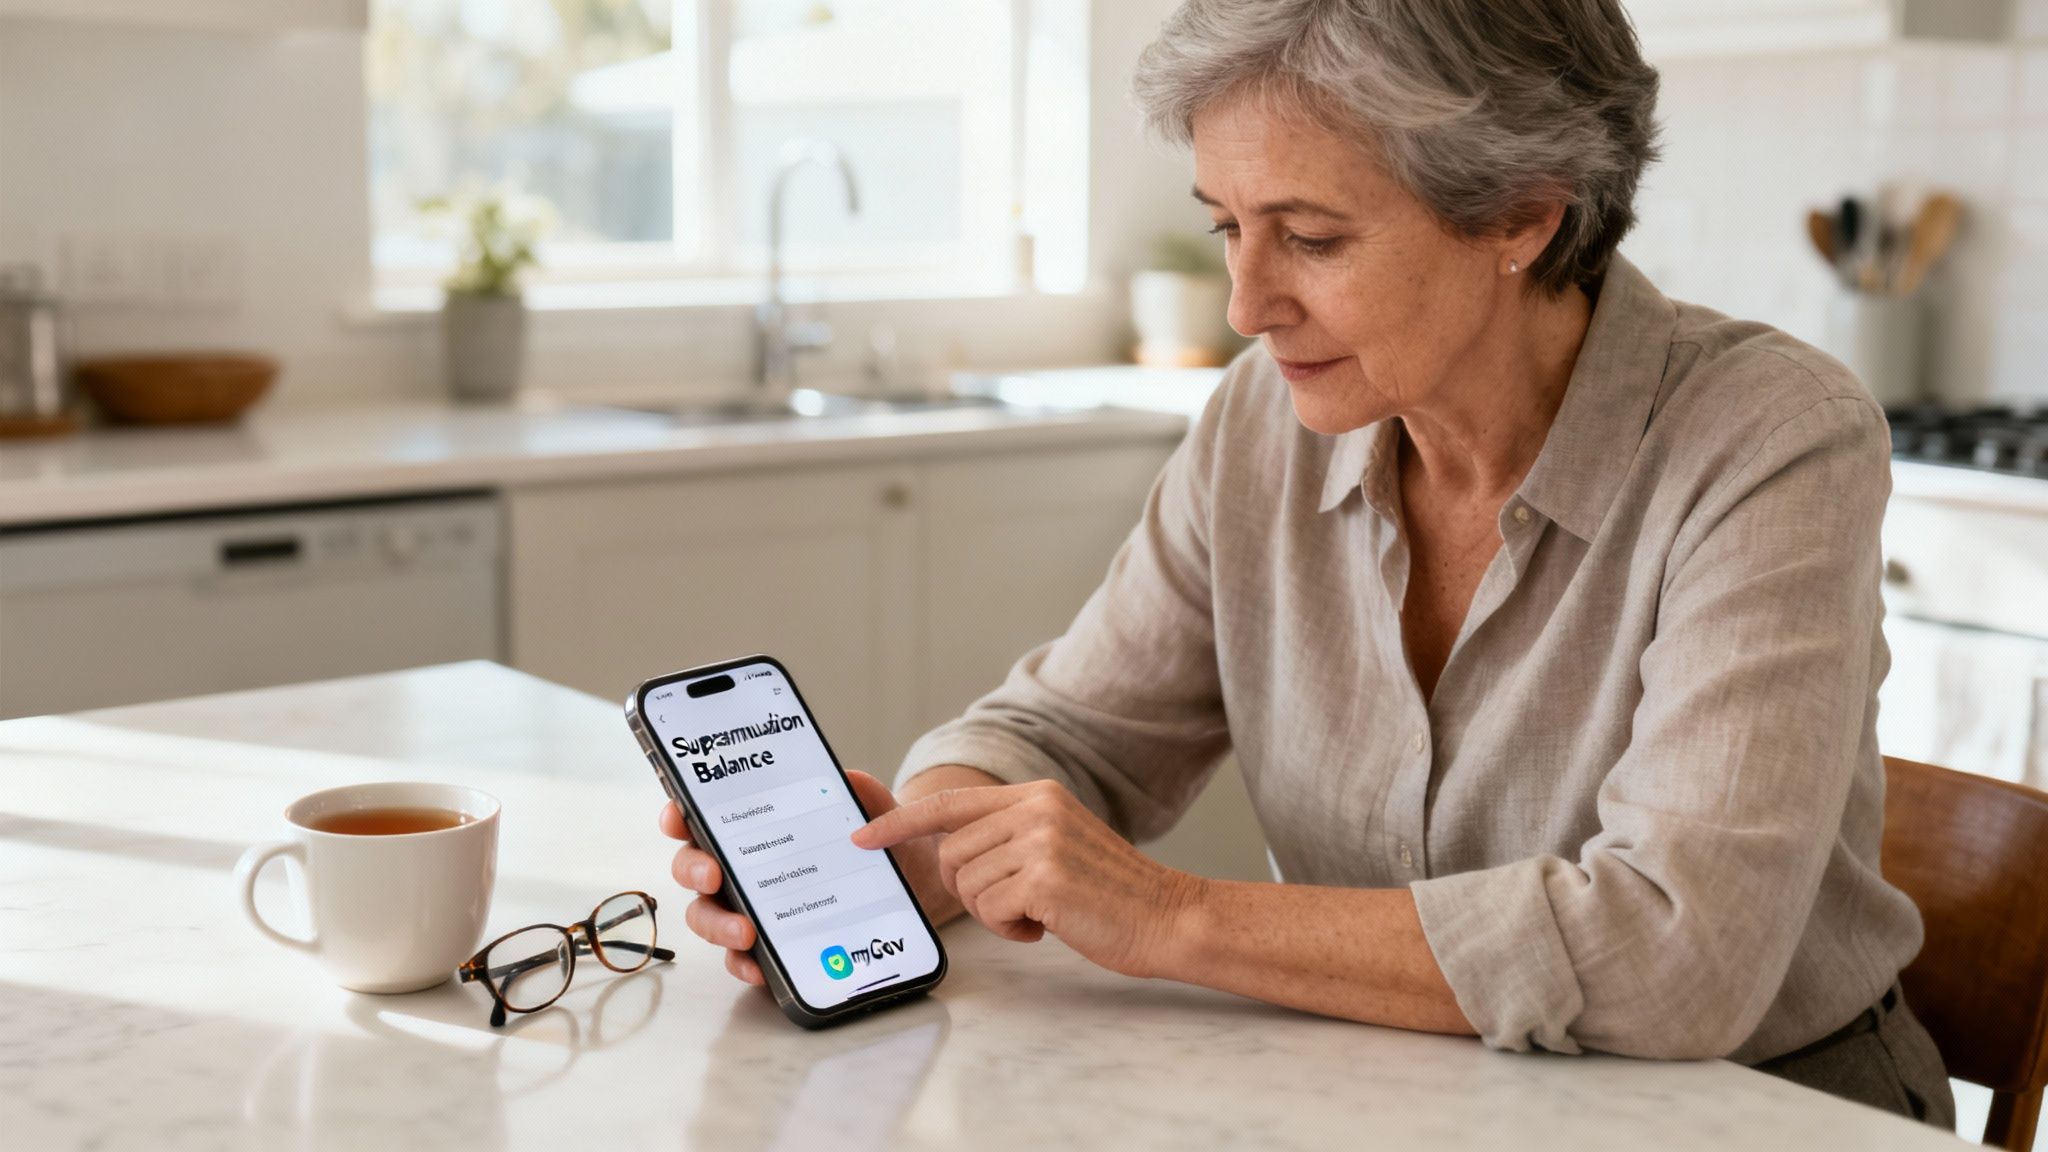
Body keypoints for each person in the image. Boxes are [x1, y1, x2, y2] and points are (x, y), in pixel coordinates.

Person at [660, 0, 1954, 1127]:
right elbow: (1075, 729)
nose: (1245, 300)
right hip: (1408, 1096)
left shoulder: (1770, 438)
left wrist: (1169, 917)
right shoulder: (1260, 420)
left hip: (1757, 1116)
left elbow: (1680, 954)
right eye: (1225, 223)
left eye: (1312, 237)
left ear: (1520, 213)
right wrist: (931, 842)